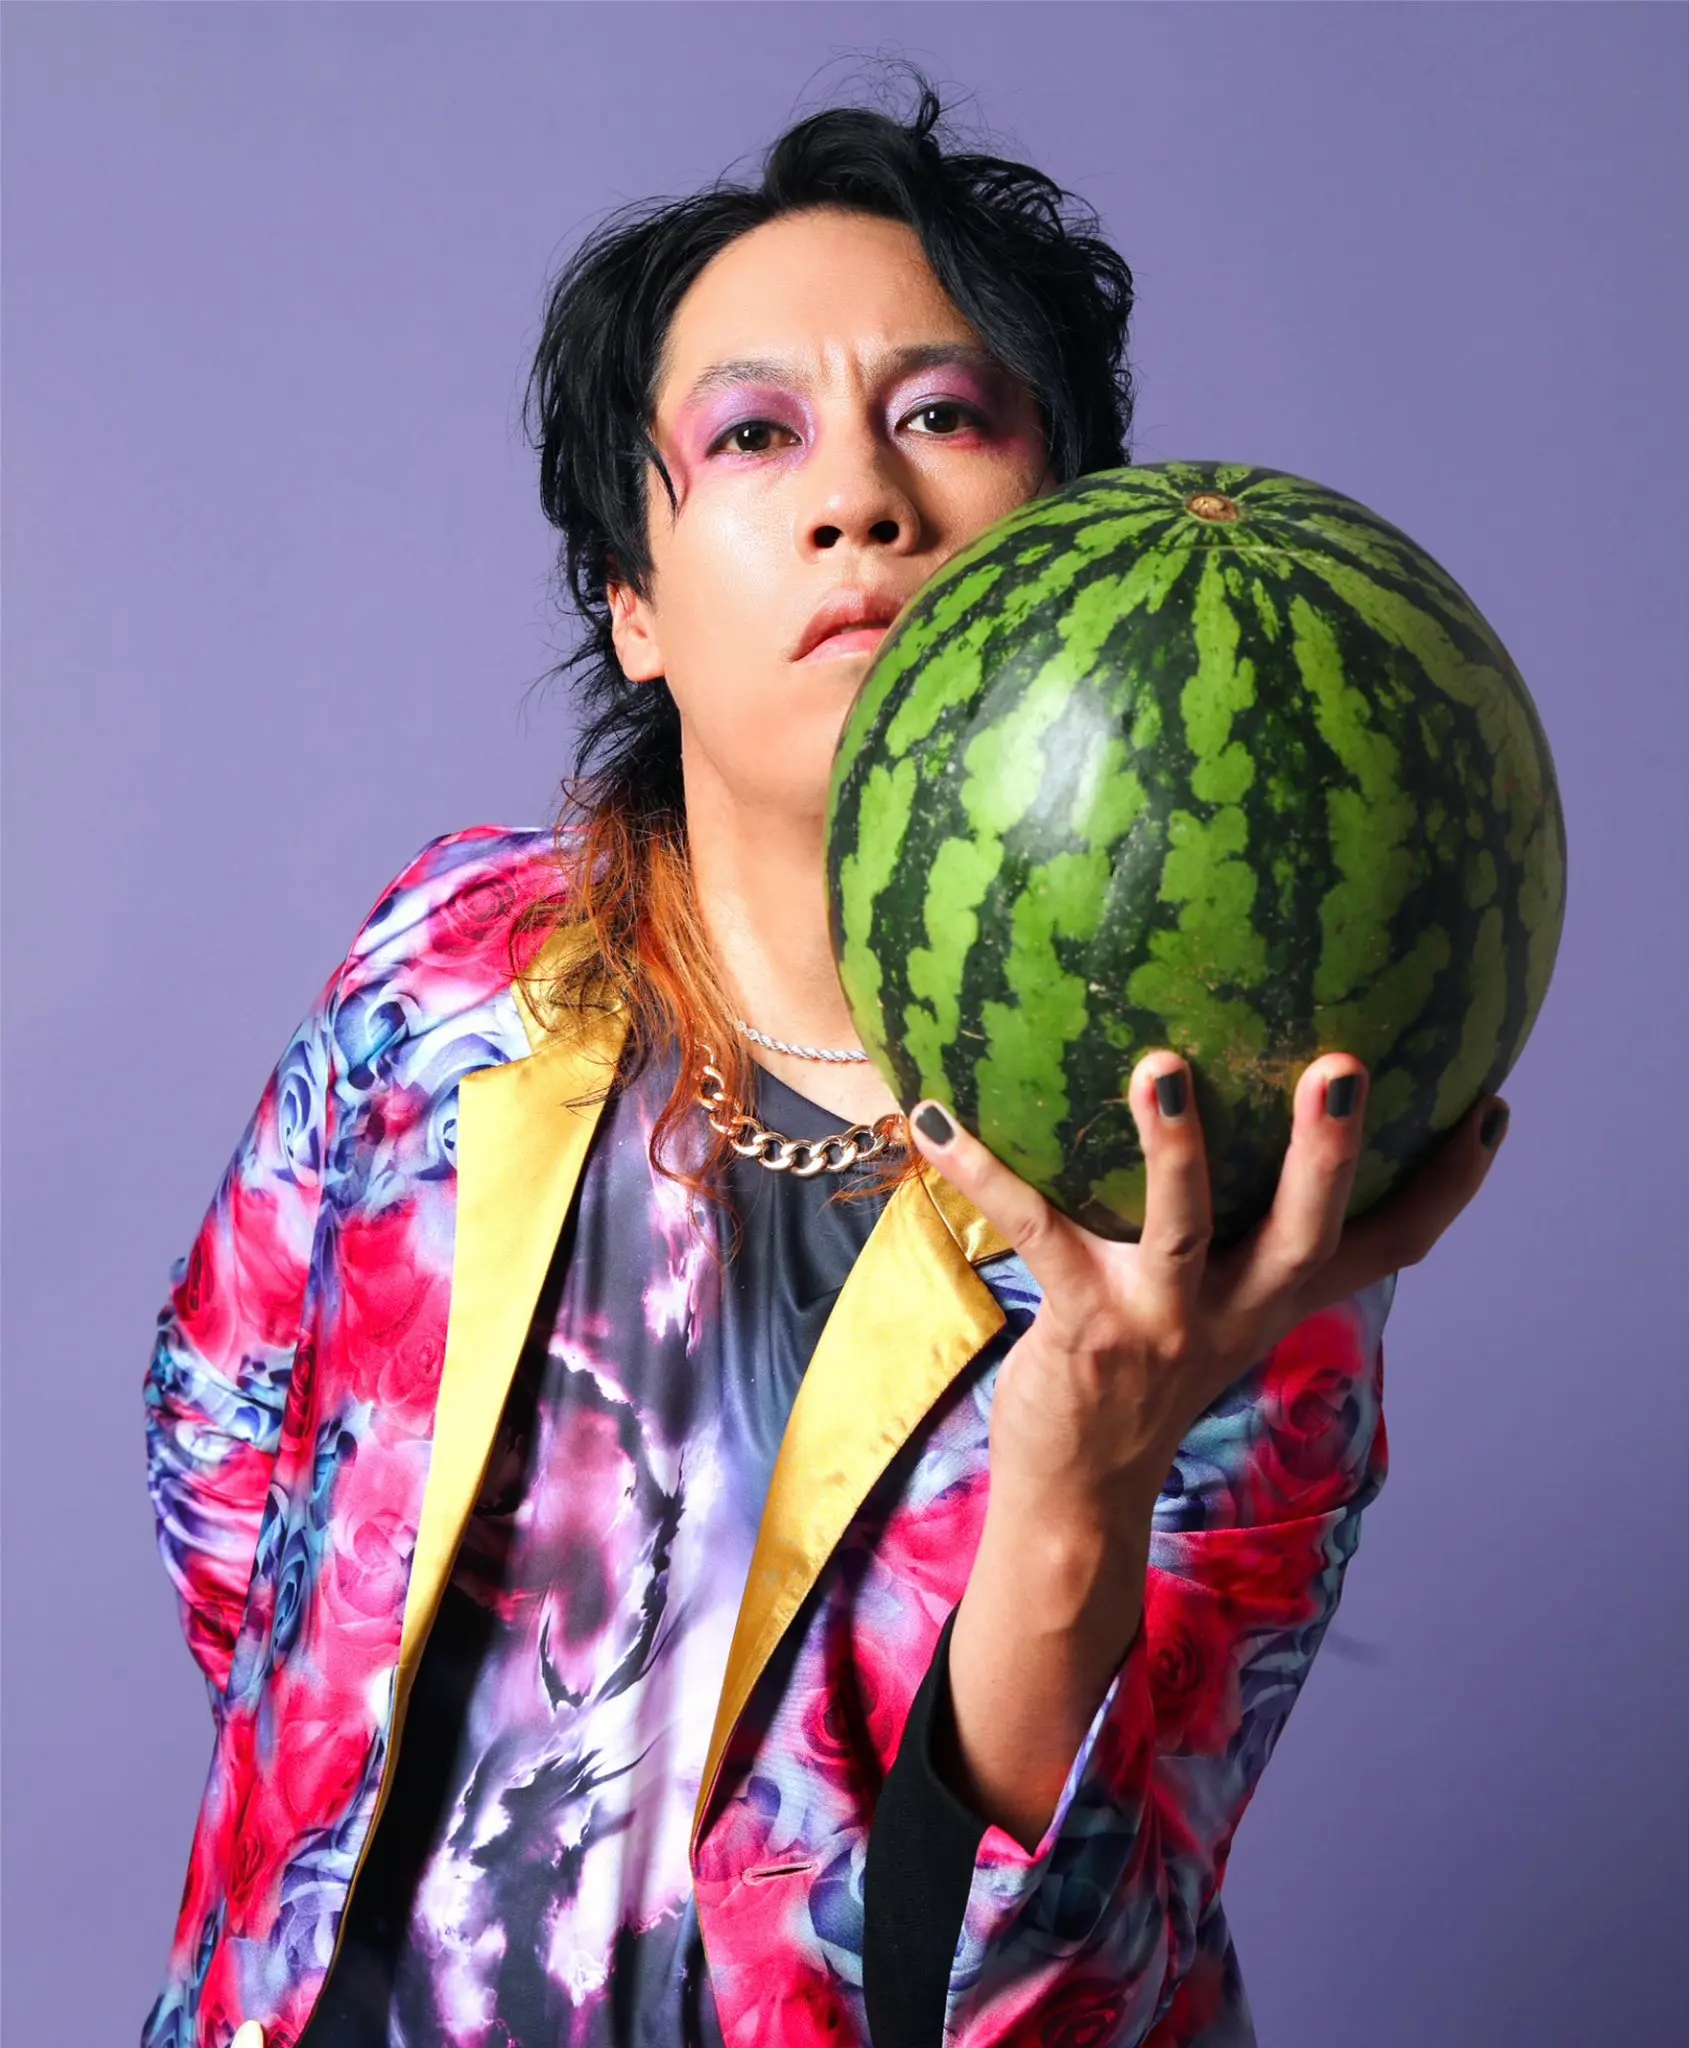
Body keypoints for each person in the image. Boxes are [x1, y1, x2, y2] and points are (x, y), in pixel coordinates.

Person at [141, 79, 1508, 2048]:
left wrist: (1078, 1479)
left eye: (943, 416)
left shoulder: (1198, 1184)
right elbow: (223, 1462)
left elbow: (1054, 1977)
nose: (858, 496)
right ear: (632, 602)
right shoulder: (446, 968)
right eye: (752, 433)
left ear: (1074, 551)